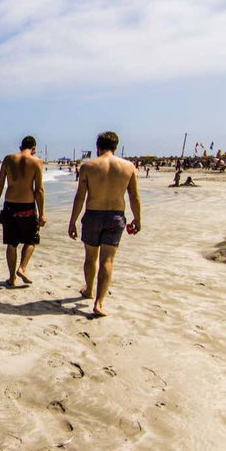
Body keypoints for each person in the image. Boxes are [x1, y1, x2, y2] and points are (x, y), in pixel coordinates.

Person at [68, 132, 142, 317]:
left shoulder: (88, 166)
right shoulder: (128, 167)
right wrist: (137, 218)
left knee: (90, 257)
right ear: (116, 147)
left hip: (93, 215)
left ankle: (89, 289)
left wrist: (73, 221)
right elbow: (134, 196)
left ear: (97, 146)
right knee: (107, 260)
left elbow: (80, 196)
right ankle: (99, 303)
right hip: (115, 217)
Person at [0, 136, 46, 287]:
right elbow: (39, 190)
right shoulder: (36, 162)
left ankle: (11, 278)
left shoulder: (8, 159)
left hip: (10, 206)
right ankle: (22, 268)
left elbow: (0, 184)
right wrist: (41, 213)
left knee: (11, 243)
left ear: (21, 147)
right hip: (27, 207)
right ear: (33, 148)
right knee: (31, 240)